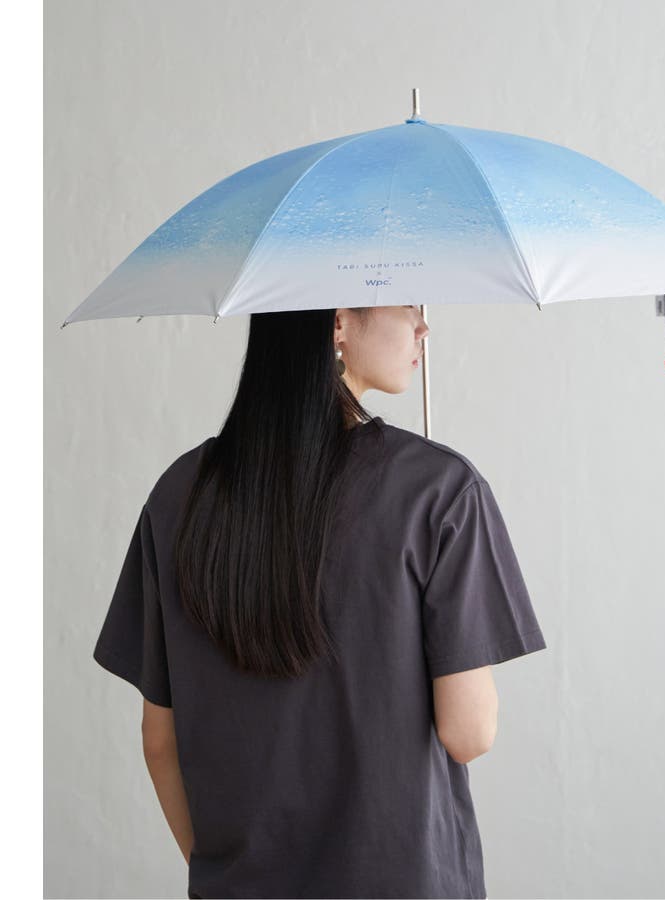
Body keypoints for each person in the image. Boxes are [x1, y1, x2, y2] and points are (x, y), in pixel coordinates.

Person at [92, 304, 548, 899]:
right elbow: (470, 732)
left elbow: (159, 743)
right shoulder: (439, 490)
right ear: (339, 322)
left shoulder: (178, 492)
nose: (423, 326)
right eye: (406, 302)